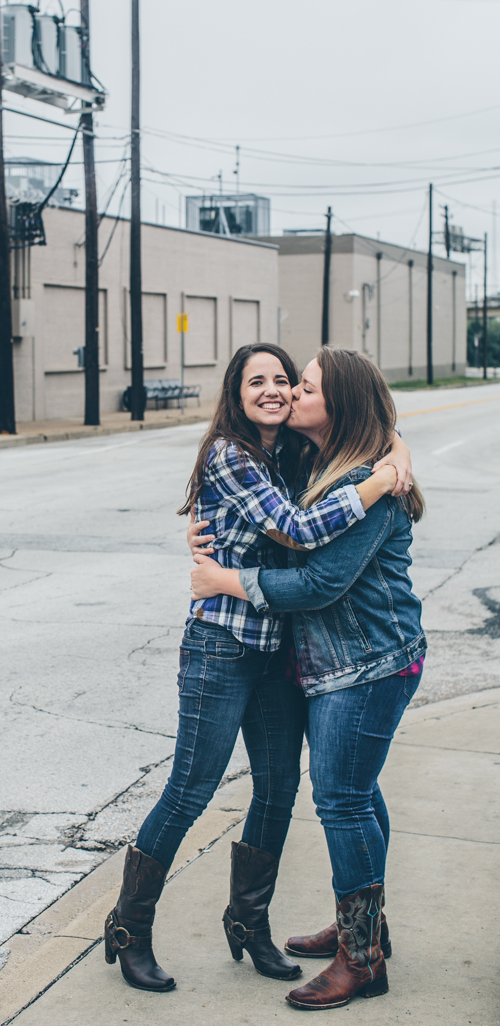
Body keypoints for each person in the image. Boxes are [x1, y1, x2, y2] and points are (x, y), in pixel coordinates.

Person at [104, 343, 411, 994]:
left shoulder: (297, 454)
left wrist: (396, 457)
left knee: (277, 792)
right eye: (259, 381)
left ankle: (248, 924)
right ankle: (129, 927)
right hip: (221, 647)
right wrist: (382, 480)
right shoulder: (229, 454)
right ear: (234, 394)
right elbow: (297, 530)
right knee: (190, 790)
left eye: (287, 380)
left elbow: (366, 430)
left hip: (280, 652)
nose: (277, 390)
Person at [190, 347, 426, 1011]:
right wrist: (202, 535)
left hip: (370, 664)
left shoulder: (366, 486)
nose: (291, 394)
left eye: (306, 387)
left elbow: (320, 582)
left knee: (342, 800)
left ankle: (362, 960)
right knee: (356, 792)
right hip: (343, 665)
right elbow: (266, 517)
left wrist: (225, 581)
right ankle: (365, 927)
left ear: (338, 405)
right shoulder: (322, 462)